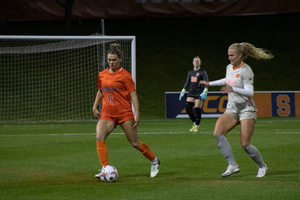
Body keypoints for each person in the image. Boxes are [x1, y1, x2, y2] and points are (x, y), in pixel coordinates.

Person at [200, 42, 273, 177]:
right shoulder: (229, 67)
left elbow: (250, 92)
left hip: (246, 109)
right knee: (218, 133)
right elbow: (227, 79)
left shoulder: (246, 70)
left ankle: (262, 166)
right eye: (228, 55)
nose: (229, 58)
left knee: (245, 144)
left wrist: (233, 90)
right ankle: (232, 165)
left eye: (232, 55)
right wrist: (209, 83)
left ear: (240, 55)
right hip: (232, 109)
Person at [92, 43, 160, 178]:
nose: (111, 63)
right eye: (109, 60)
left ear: (120, 59)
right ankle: (105, 168)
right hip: (107, 113)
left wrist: (137, 113)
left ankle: (154, 160)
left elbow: (133, 95)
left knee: (135, 143)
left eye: (114, 60)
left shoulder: (125, 75)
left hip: (124, 113)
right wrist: (95, 106)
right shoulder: (102, 75)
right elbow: (101, 91)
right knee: (99, 136)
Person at [179, 56, 209, 132]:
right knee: (188, 108)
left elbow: (207, 83)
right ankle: (195, 122)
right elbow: (187, 82)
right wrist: (183, 90)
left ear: (200, 63)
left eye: (198, 61)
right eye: (195, 61)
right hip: (191, 93)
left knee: (197, 109)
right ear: (192, 62)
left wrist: (205, 91)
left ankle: (197, 126)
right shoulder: (190, 72)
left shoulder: (203, 72)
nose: (196, 62)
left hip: (199, 93)